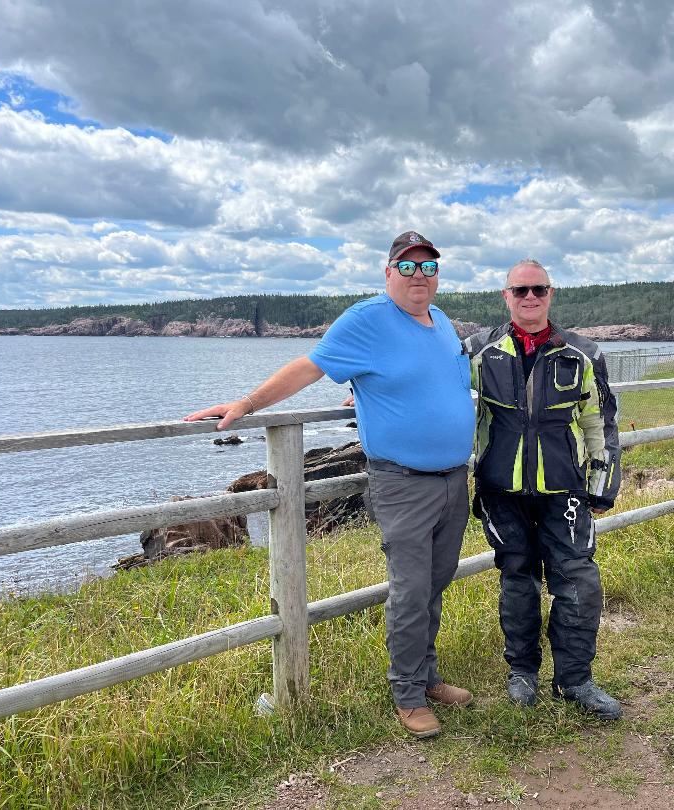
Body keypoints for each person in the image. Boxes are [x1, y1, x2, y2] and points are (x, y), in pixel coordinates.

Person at [184, 231, 476, 739]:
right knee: (411, 590)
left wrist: (369, 392)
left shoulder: (443, 323)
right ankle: (407, 693)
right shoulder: (367, 320)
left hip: (454, 479)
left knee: (436, 584)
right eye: (407, 268)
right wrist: (248, 405)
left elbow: (438, 379)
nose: (419, 277)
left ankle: (428, 677)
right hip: (404, 483)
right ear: (388, 273)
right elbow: (309, 367)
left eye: (428, 268)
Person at [463, 259, 623, 720]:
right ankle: (523, 674)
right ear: (505, 296)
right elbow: (428, 383)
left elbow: (600, 421)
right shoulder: (477, 350)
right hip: (500, 488)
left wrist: (602, 482)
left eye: (539, 289)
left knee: (578, 580)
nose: (529, 298)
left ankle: (575, 681)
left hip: (564, 488)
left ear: (551, 294)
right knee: (518, 577)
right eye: (520, 290)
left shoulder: (582, 352)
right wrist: (368, 386)